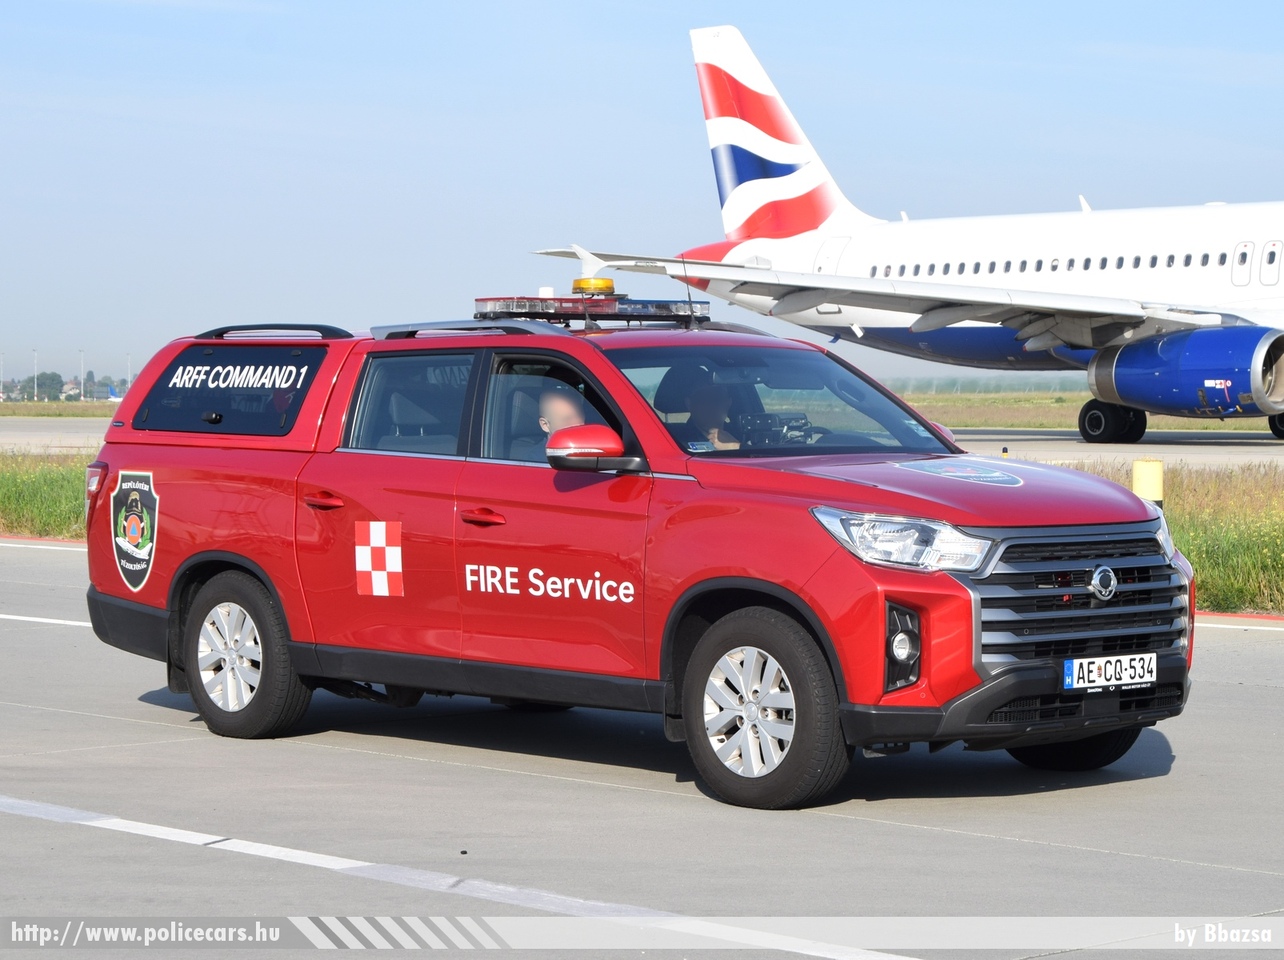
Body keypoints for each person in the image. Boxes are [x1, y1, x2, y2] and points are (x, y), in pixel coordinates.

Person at [681, 371, 739, 450]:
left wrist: (735, 446)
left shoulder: (742, 435)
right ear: (689, 404)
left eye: (717, 398)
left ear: (729, 403)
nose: (710, 405)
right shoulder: (675, 442)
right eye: (702, 399)